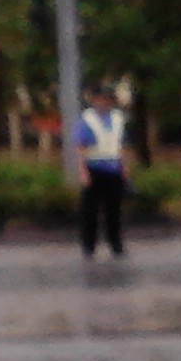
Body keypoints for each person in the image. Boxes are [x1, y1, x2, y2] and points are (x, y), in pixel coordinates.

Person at [74, 84, 129, 259]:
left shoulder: (118, 119)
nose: (103, 102)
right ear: (94, 100)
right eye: (100, 99)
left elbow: (122, 145)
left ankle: (116, 245)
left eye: (106, 99)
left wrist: (125, 167)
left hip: (114, 169)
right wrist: (82, 172)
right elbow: (80, 147)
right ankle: (89, 246)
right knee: (90, 211)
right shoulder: (87, 119)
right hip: (94, 169)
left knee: (114, 210)